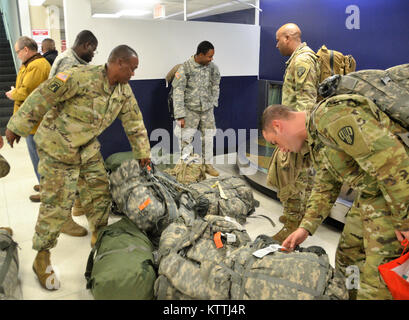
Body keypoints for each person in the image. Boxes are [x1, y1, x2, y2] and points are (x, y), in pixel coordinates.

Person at [5, 44, 151, 290]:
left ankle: (99, 234)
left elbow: (134, 121)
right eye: (133, 68)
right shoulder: (78, 76)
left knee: (99, 193)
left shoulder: (123, 91)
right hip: (57, 145)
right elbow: (42, 96)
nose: (134, 74)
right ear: (119, 63)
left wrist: (143, 153)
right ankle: (42, 258)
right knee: (56, 204)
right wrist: (16, 126)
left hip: (86, 148)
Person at [261, 100, 409, 300]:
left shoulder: (333, 116)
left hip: (395, 195)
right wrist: (305, 228)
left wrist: (404, 220)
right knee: (348, 256)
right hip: (370, 194)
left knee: (379, 280)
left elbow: (394, 162)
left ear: (278, 126)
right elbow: (325, 186)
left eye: (275, 142)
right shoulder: (316, 138)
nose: (282, 150)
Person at [266, 23, 320, 243]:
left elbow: (306, 103)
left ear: (288, 38)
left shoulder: (302, 61)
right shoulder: (299, 59)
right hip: (294, 130)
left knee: (293, 178)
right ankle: (294, 217)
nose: (277, 44)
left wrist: (294, 137)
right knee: (293, 176)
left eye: (279, 40)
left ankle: (292, 225)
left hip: (297, 133)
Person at [46, 30, 99, 238]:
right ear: (86, 45)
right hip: (65, 130)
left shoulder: (76, 62)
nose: (94, 54)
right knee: (65, 176)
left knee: (81, 171)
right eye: (93, 50)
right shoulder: (67, 63)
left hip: (76, 130)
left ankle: (78, 205)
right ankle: (64, 220)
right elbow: (56, 93)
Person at [5, 36, 51, 202]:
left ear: (26, 49)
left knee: (39, 158)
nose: (17, 55)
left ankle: (46, 191)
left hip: (36, 123)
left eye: (18, 52)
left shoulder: (37, 66)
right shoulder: (30, 65)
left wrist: (13, 94)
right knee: (36, 157)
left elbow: (27, 92)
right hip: (30, 122)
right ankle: (43, 184)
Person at [172, 40, 221, 176]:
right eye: (209, 56)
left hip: (207, 110)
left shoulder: (212, 68)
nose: (211, 59)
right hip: (189, 110)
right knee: (186, 139)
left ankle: (208, 165)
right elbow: (178, 91)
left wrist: (213, 102)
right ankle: (187, 167)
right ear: (200, 54)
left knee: (209, 137)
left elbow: (216, 84)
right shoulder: (185, 68)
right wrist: (180, 115)